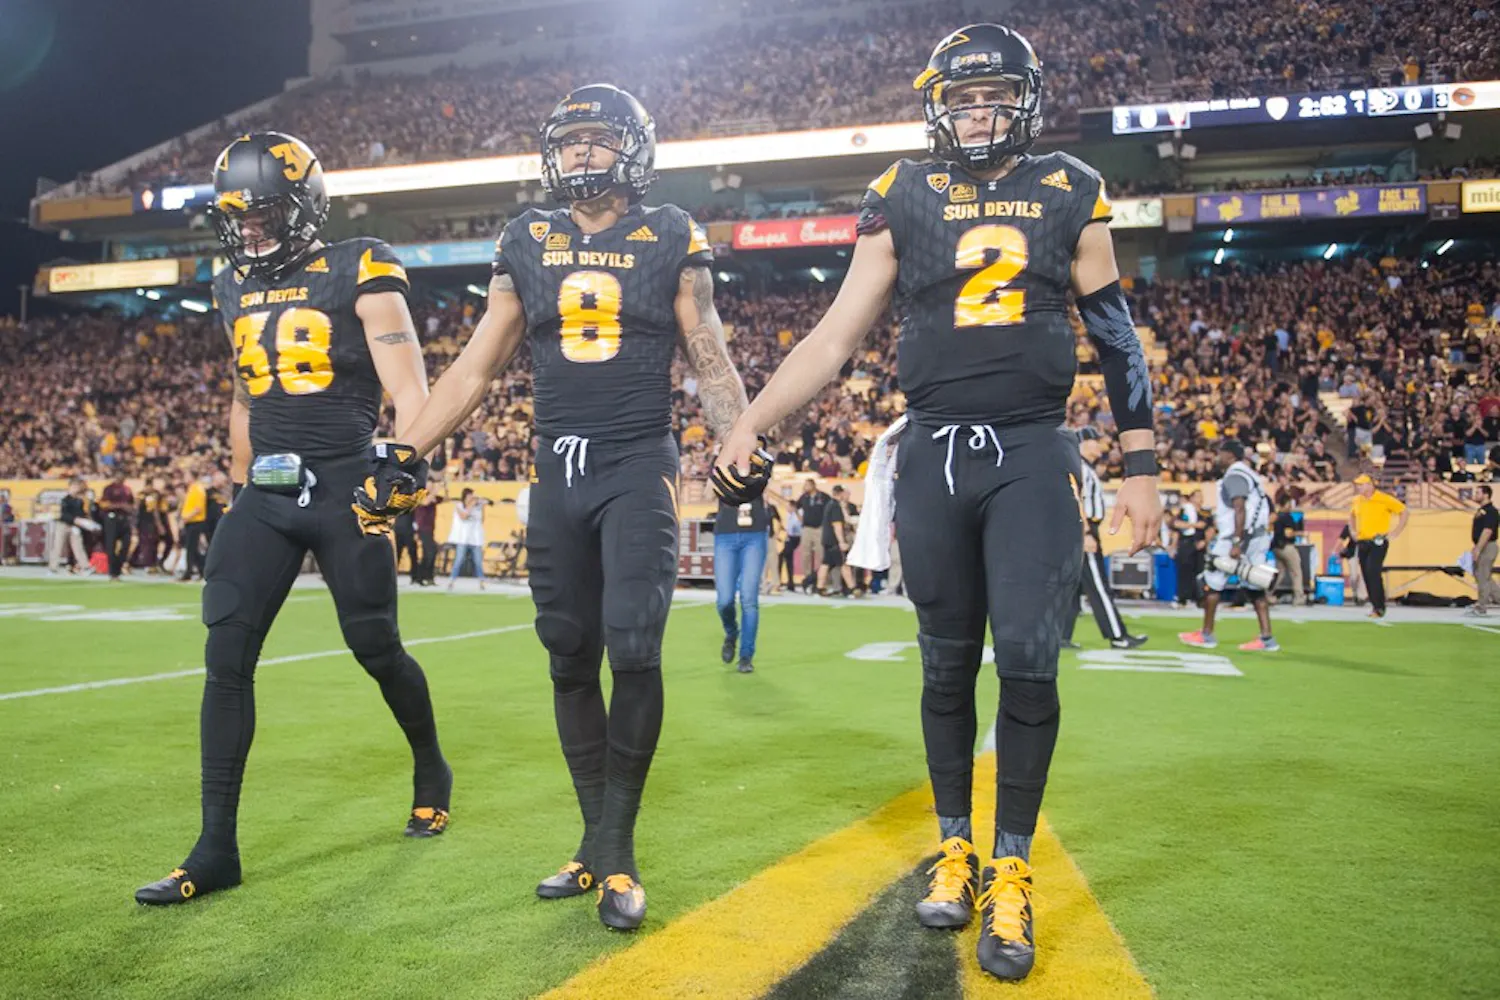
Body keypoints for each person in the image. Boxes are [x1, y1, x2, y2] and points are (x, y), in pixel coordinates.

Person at [712, 24, 1163, 981]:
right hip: (934, 455)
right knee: (946, 664)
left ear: (1027, 100)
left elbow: (1116, 336)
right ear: (938, 107)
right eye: (963, 99)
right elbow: (834, 337)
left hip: (1032, 454)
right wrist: (753, 420)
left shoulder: (1071, 186)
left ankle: (1012, 868)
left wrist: (1143, 465)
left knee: (1031, 667)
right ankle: (956, 846)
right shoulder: (901, 190)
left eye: (996, 95)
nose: (980, 112)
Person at [357, 86, 750, 931]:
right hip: (556, 467)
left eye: (596, 141)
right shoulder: (525, 237)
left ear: (632, 151)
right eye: (568, 142)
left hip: (636, 461)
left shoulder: (671, 232)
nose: (579, 155)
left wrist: (740, 437)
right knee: (568, 653)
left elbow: (710, 357)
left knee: (635, 645)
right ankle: (592, 841)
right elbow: (473, 368)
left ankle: (618, 852)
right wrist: (404, 450)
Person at [135, 132, 451, 906]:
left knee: (375, 645)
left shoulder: (361, 265)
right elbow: (245, 397)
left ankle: (430, 763)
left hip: (347, 486)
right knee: (226, 650)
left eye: (263, 212)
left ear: (305, 206)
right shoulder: (229, 286)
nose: (247, 229)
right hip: (268, 496)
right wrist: (242, 486)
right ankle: (215, 848)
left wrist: (404, 464)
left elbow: (410, 385)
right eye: (236, 216)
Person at [1180, 439, 1279, 651]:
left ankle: (1207, 634)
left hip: (1240, 538)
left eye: (1220, 453)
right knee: (1254, 585)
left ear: (1230, 456)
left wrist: (1236, 540)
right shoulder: (1249, 474)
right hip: (1255, 536)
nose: (1217, 458)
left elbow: (1239, 508)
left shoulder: (1235, 475)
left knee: (1212, 580)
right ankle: (1267, 638)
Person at [1064, 428, 1147, 649]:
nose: (1100, 446)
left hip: (1079, 530)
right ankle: (1118, 635)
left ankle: (1061, 636)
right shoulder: (1080, 467)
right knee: (1099, 587)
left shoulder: (1084, 467)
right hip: (1085, 530)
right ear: (1085, 443)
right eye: (1096, 442)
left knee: (1071, 589)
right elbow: (1075, 500)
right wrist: (1086, 533)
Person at [714, 491, 769, 672]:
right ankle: (731, 633)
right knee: (724, 600)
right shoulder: (721, 464)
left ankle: (746, 656)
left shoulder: (759, 464)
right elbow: (709, 491)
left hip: (754, 534)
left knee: (749, 598)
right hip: (726, 534)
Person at [1349, 473, 1408, 619]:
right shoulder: (1357, 500)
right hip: (1363, 540)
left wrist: (1396, 532)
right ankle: (1375, 605)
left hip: (1378, 540)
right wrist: (1353, 531)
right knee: (1367, 574)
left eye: (1361, 485)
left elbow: (1404, 511)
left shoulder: (1383, 499)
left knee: (1373, 571)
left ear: (1370, 485)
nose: (1359, 487)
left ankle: (1379, 607)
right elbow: (1351, 516)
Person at [47, 477, 92, 576]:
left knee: (78, 546)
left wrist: (83, 521)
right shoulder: (65, 500)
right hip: (63, 525)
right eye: (74, 486)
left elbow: (80, 513)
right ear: (70, 487)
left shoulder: (80, 500)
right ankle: (52, 568)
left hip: (74, 526)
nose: (76, 489)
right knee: (58, 546)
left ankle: (85, 566)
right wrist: (75, 520)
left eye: (77, 486)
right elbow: (64, 515)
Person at [446, 488, 488, 591]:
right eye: (470, 496)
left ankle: (481, 582)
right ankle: (451, 581)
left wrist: (482, 507)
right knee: (459, 560)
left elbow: (482, 520)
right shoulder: (459, 506)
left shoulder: (477, 507)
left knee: (478, 561)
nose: (472, 498)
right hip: (463, 538)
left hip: (475, 538)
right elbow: (464, 516)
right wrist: (471, 506)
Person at [818, 484, 856, 597]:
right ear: (840, 493)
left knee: (825, 564)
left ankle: (819, 588)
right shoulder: (835, 507)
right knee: (844, 564)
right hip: (834, 541)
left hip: (827, 540)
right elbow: (837, 526)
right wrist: (842, 542)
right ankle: (851, 588)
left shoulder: (829, 504)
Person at [1270, 491, 1306, 606]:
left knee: (1279, 573)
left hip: (1276, 547)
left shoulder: (1276, 516)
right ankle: (1299, 597)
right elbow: (1288, 534)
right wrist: (1300, 533)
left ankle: (1268, 593)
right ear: (1286, 504)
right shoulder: (1287, 517)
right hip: (1287, 547)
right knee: (1296, 571)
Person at [1466, 485, 1497, 616]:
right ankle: (1497, 598)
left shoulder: (1491, 511)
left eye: (1478, 492)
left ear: (1486, 495)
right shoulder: (1482, 510)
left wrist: (1478, 548)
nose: (1475, 495)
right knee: (1483, 576)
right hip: (1481, 545)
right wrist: (1476, 547)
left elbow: (1487, 531)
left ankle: (1481, 606)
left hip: (1487, 546)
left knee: (1483, 576)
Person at [1172, 489, 1205, 607]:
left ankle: (1200, 598)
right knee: (1185, 572)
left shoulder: (1204, 513)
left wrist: (1205, 541)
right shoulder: (1185, 510)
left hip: (1200, 545)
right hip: (1187, 543)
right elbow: (1177, 525)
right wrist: (1173, 546)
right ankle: (1183, 598)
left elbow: (1211, 528)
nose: (1200, 499)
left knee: (1200, 572)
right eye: (1197, 497)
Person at [100, 469, 134, 580]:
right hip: (112, 518)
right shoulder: (109, 489)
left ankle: (118, 567)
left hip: (124, 519)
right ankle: (112, 572)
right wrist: (120, 506)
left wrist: (130, 509)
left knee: (126, 545)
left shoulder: (127, 490)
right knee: (111, 546)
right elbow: (104, 505)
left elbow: (131, 504)